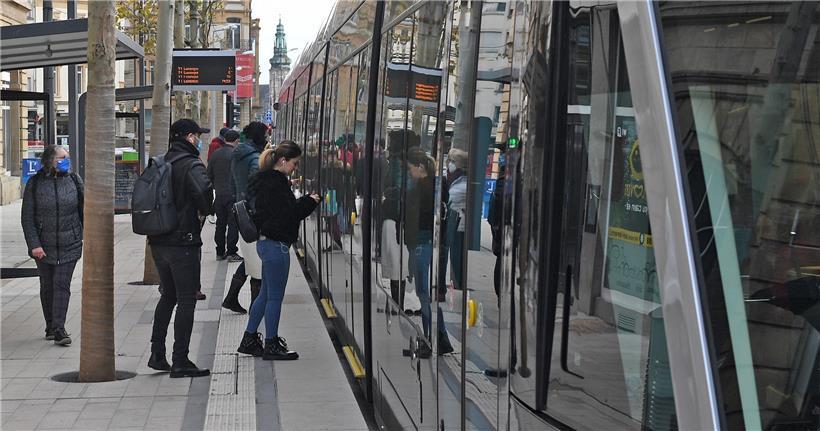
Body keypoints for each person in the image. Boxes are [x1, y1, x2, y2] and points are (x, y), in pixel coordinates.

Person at [237, 141, 320, 360]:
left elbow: (273, 208)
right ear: (283, 161)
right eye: (294, 163)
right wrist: (309, 201)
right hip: (277, 246)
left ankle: (249, 338)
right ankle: (271, 344)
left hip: (265, 243)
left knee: (264, 295)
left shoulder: (264, 180)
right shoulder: (277, 184)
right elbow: (288, 214)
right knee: (274, 297)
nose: (295, 167)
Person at [147, 119, 214, 378]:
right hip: (183, 242)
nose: (199, 139)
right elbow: (205, 197)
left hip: (158, 241)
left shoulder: (160, 162)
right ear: (188, 137)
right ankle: (181, 360)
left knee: (168, 297)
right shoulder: (191, 164)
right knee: (186, 299)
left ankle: (157, 354)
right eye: (198, 135)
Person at [21, 145, 83, 346]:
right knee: (47, 285)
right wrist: (34, 245)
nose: (66, 161)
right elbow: (27, 218)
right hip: (43, 245)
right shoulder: (35, 183)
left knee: (61, 284)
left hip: (70, 244)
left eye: (67, 157)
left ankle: (59, 328)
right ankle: (50, 325)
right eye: (62, 158)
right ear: (50, 160)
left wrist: (84, 234)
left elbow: (85, 209)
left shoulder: (74, 180)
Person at [404, 149, 454, 357]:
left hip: (422, 244)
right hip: (432, 245)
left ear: (420, 168)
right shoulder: (438, 186)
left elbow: (411, 216)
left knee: (424, 295)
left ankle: (429, 339)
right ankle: (441, 338)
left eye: (411, 169)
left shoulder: (421, 189)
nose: (410, 173)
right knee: (428, 296)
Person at [226, 122, 269, 311]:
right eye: (266, 134)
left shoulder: (238, 156)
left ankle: (231, 298)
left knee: (251, 257)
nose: (267, 138)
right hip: (253, 215)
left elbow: (232, 183)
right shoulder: (254, 159)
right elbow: (256, 188)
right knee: (257, 262)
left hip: (241, 210)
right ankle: (255, 308)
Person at [208, 129, 243, 263]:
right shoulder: (236, 154)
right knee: (233, 224)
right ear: (236, 141)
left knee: (220, 224)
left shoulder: (216, 154)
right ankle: (232, 252)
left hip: (220, 195)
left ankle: (220, 251)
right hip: (232, 194)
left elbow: (209, 174)